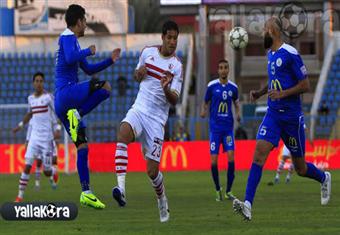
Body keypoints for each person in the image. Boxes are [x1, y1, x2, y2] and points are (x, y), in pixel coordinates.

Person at [232, 17, 331, 221]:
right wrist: (260, 92)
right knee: (259, 153)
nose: (261, 34)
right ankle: (248, 204)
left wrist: (284, 94)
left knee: (301, 168)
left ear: (273, 31)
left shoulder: (291, 53)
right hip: (273, 115)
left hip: (292, 119)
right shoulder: (271, 54)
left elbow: (305, 85)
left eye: (264, 30)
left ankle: (323, 177)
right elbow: (275, 82)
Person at [112, 21, 183, 223]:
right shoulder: (147, 53)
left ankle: (162, 201)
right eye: (169, 37)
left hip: (157, 121)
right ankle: (121, 189)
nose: (172, 41)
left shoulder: (177, 66)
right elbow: (137, 76)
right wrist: (138, 74)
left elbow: (175, 99)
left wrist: (166, 88)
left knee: (152, 172)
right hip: (139, 109)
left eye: (175, 38)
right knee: (122, 133)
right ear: (162, 37)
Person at [54, 4, 121, 209]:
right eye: (84, 21)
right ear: (78, 22)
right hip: (66, 93)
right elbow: (71, 58)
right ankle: (78, 113)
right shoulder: (67, 37)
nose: (86, 25)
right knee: (105, 87)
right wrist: (88, 51)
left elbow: (89, 70)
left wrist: (110, 60)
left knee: (83, 147)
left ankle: (86, 193)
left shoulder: (72, 42)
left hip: (64, 103)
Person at [13, 72, 60, 202]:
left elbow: (58, 113)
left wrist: (58, 128)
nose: (39, 83)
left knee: (46, 171)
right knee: (27, 166)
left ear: (43, 83)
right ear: (33, 83)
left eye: (41, 81)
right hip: (34, 138)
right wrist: (20, 125)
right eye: (37, 81)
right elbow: (29, 114)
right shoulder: (31, 99)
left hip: (46, 139)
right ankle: (20, 196)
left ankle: (53, 171)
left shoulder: (49, 97)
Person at [200, 59, 241, 201]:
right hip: (215, 129)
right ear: (218, 70)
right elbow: (205, 101)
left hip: (228, 129)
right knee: (213, 161)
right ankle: (218, 189)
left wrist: (238, 114)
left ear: (228, 70)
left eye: (225, 67)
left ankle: (228, 191)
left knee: (231, 158)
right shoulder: (212, 86)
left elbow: (236, 103)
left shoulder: (233, 88)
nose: (223, 70)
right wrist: (203, 111)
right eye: (221, 68)